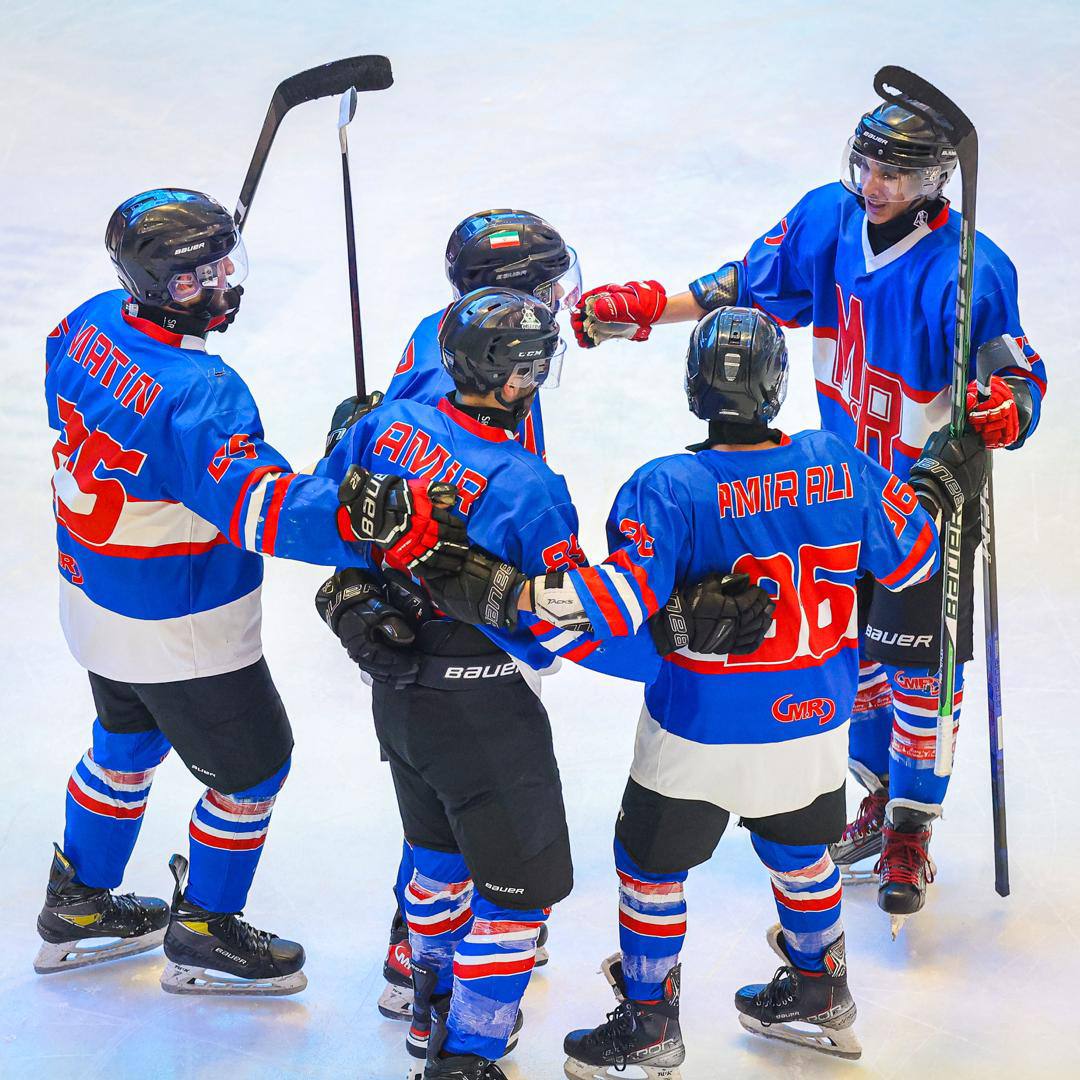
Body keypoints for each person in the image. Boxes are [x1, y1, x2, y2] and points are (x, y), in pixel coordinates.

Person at [419, 306, 988, 1073]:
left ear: (695, 389)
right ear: (775, 387)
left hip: (699, 729)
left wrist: (501, 594)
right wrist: (937, 486)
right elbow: (915, 560)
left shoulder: (666, 487)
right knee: (802, 853)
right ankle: (820, 989)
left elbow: (617, 608)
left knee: (650, 870)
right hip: (813, 723)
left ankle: (651, 1020)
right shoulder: (840, 462)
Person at [568, 100, 1047, 930]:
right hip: (837, 500)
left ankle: (911, 829)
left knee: (922, 676)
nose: (875, 184)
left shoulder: (972, 268)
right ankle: (879, 795)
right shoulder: (830, 219)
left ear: (935, 182)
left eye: (895, 173)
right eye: (868, 165)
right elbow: (745, 286)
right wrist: (653, 308)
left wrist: (1009, 405)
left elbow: (1015, 369)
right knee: (851, 664)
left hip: (925, 499)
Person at [313, 287, 765, 1080]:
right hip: (484, 711)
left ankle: (428, 1013)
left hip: (401, 700)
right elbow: (568, 631)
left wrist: (347, 594)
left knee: (435, 862)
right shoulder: (526, 487)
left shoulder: (386, 424)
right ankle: (468, 1055)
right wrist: (672, 634)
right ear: (515, 377)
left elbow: (330, 518)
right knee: (518, 895)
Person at [37, 188, 463, 995]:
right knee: (253, 772)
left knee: (124, 741)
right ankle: (206, 930)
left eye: (223, 265)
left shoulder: (87, 320)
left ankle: (78, 902)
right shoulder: (202, 390)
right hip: (180, 620)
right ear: (158, 284)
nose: (224, 284)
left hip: (93, 594)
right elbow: (262, 509)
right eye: (199, 277)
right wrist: (360, 508)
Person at [327, 208, 582, 1023]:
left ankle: (426, 955)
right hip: (467, 640)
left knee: (440, 798)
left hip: (426, 642)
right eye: (546, 289)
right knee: (467, 803)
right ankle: (417, 949)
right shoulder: (491, 441)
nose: (558, 300)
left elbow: (360, 484)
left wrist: (356, 577)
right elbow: (378, 507)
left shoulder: (451, 339)